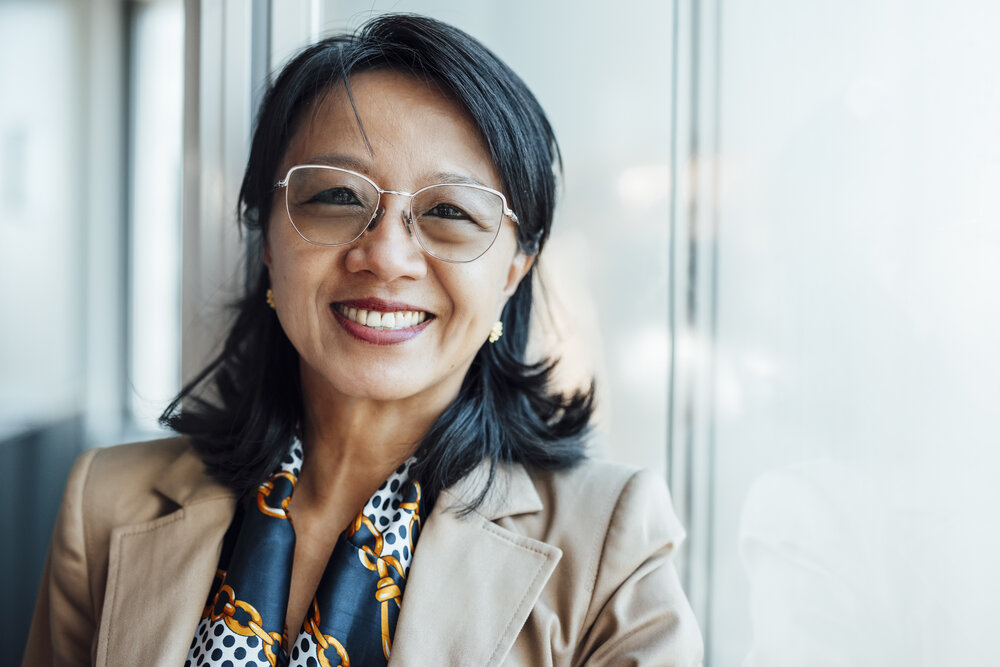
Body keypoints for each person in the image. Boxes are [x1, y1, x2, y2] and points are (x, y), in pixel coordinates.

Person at [23, 14, 702, 666]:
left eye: (448, 212)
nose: (387, 256)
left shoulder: (611, 545)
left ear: (512, 272)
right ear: (268, 240)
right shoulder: (104, 504)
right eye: (338, 198)